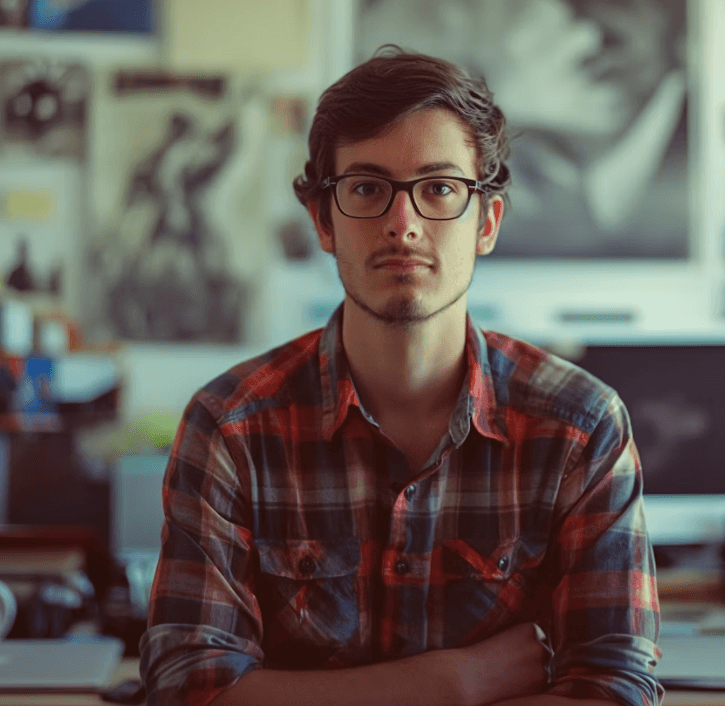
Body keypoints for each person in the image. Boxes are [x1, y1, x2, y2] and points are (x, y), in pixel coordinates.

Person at [140, 49, 661, 706]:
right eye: (366, 188)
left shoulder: (580, 426)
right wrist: (454, 682)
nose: (404, 222)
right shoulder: (231, 426)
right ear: (323, 222)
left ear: (488, 223)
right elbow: (190, 688)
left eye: (439, 188)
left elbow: (616, 690)